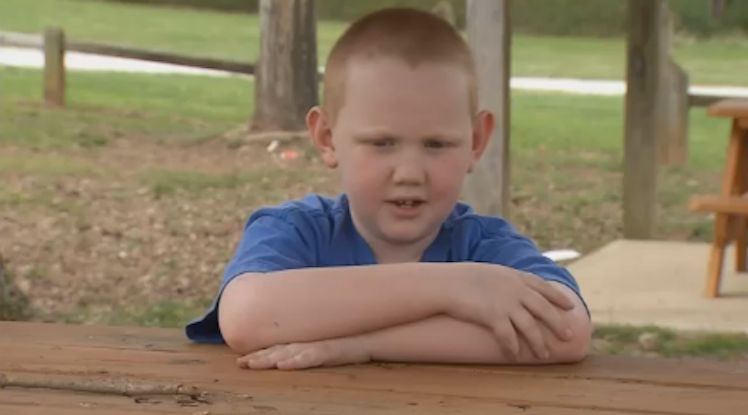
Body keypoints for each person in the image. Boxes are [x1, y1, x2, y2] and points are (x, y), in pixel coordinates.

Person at [185, 7, 592, 370]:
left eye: (436, 144)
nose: (410, 172)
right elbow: (247, 317)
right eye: (382, 143)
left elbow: (567, 331)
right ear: (326, 136)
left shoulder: (484, 247)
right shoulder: (296, 230)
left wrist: (360, 345)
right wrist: (455, 288)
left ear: (476, 141)